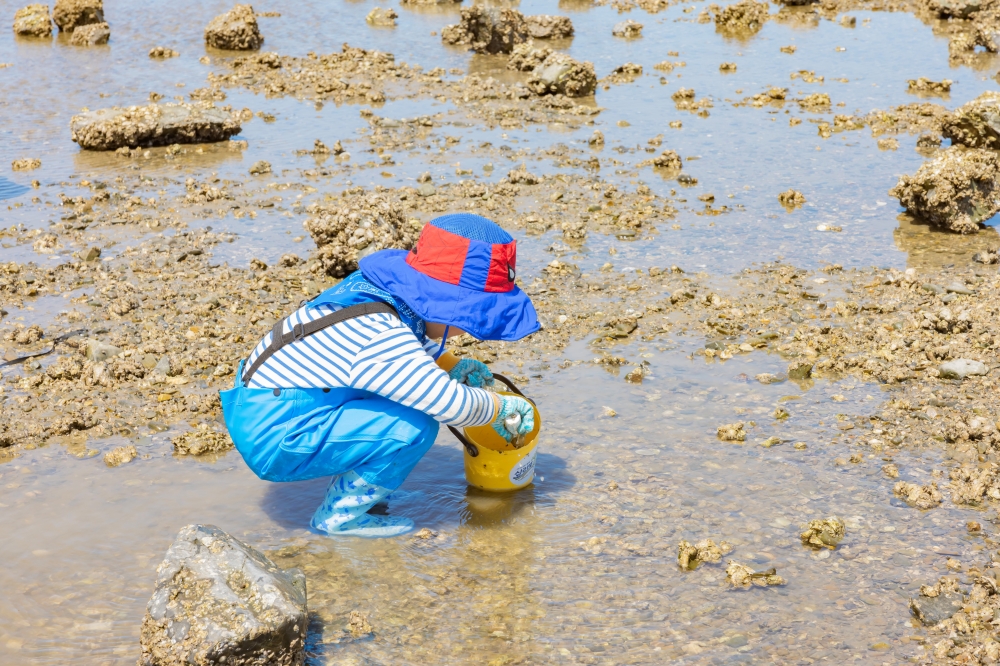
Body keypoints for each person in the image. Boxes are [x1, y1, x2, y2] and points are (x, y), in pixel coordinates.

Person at [220, 213, 539, 537]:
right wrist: (499, 409)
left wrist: (448, 363)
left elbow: (402, 351)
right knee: (415, 425)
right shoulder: (380, 332)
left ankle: (367, 488)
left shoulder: (377, 293)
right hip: (277, 434)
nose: (474, 328)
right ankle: (341, 518)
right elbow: (446, 403)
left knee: (400, 394)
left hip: (270, 405)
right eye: (475, 316)